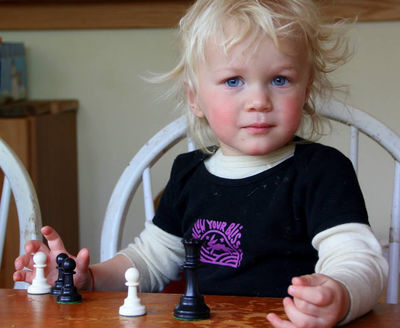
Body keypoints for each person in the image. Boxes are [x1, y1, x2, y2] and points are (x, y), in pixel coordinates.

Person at [14, 1, 388, 327]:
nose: (258, 99)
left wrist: (338, 294)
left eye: (279, 79)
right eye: (233, 81)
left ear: (306, 91)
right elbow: (149, 261)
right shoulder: (188, 173)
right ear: (195, 98)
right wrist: (88, 278)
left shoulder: (322, 171)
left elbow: (360, 262)